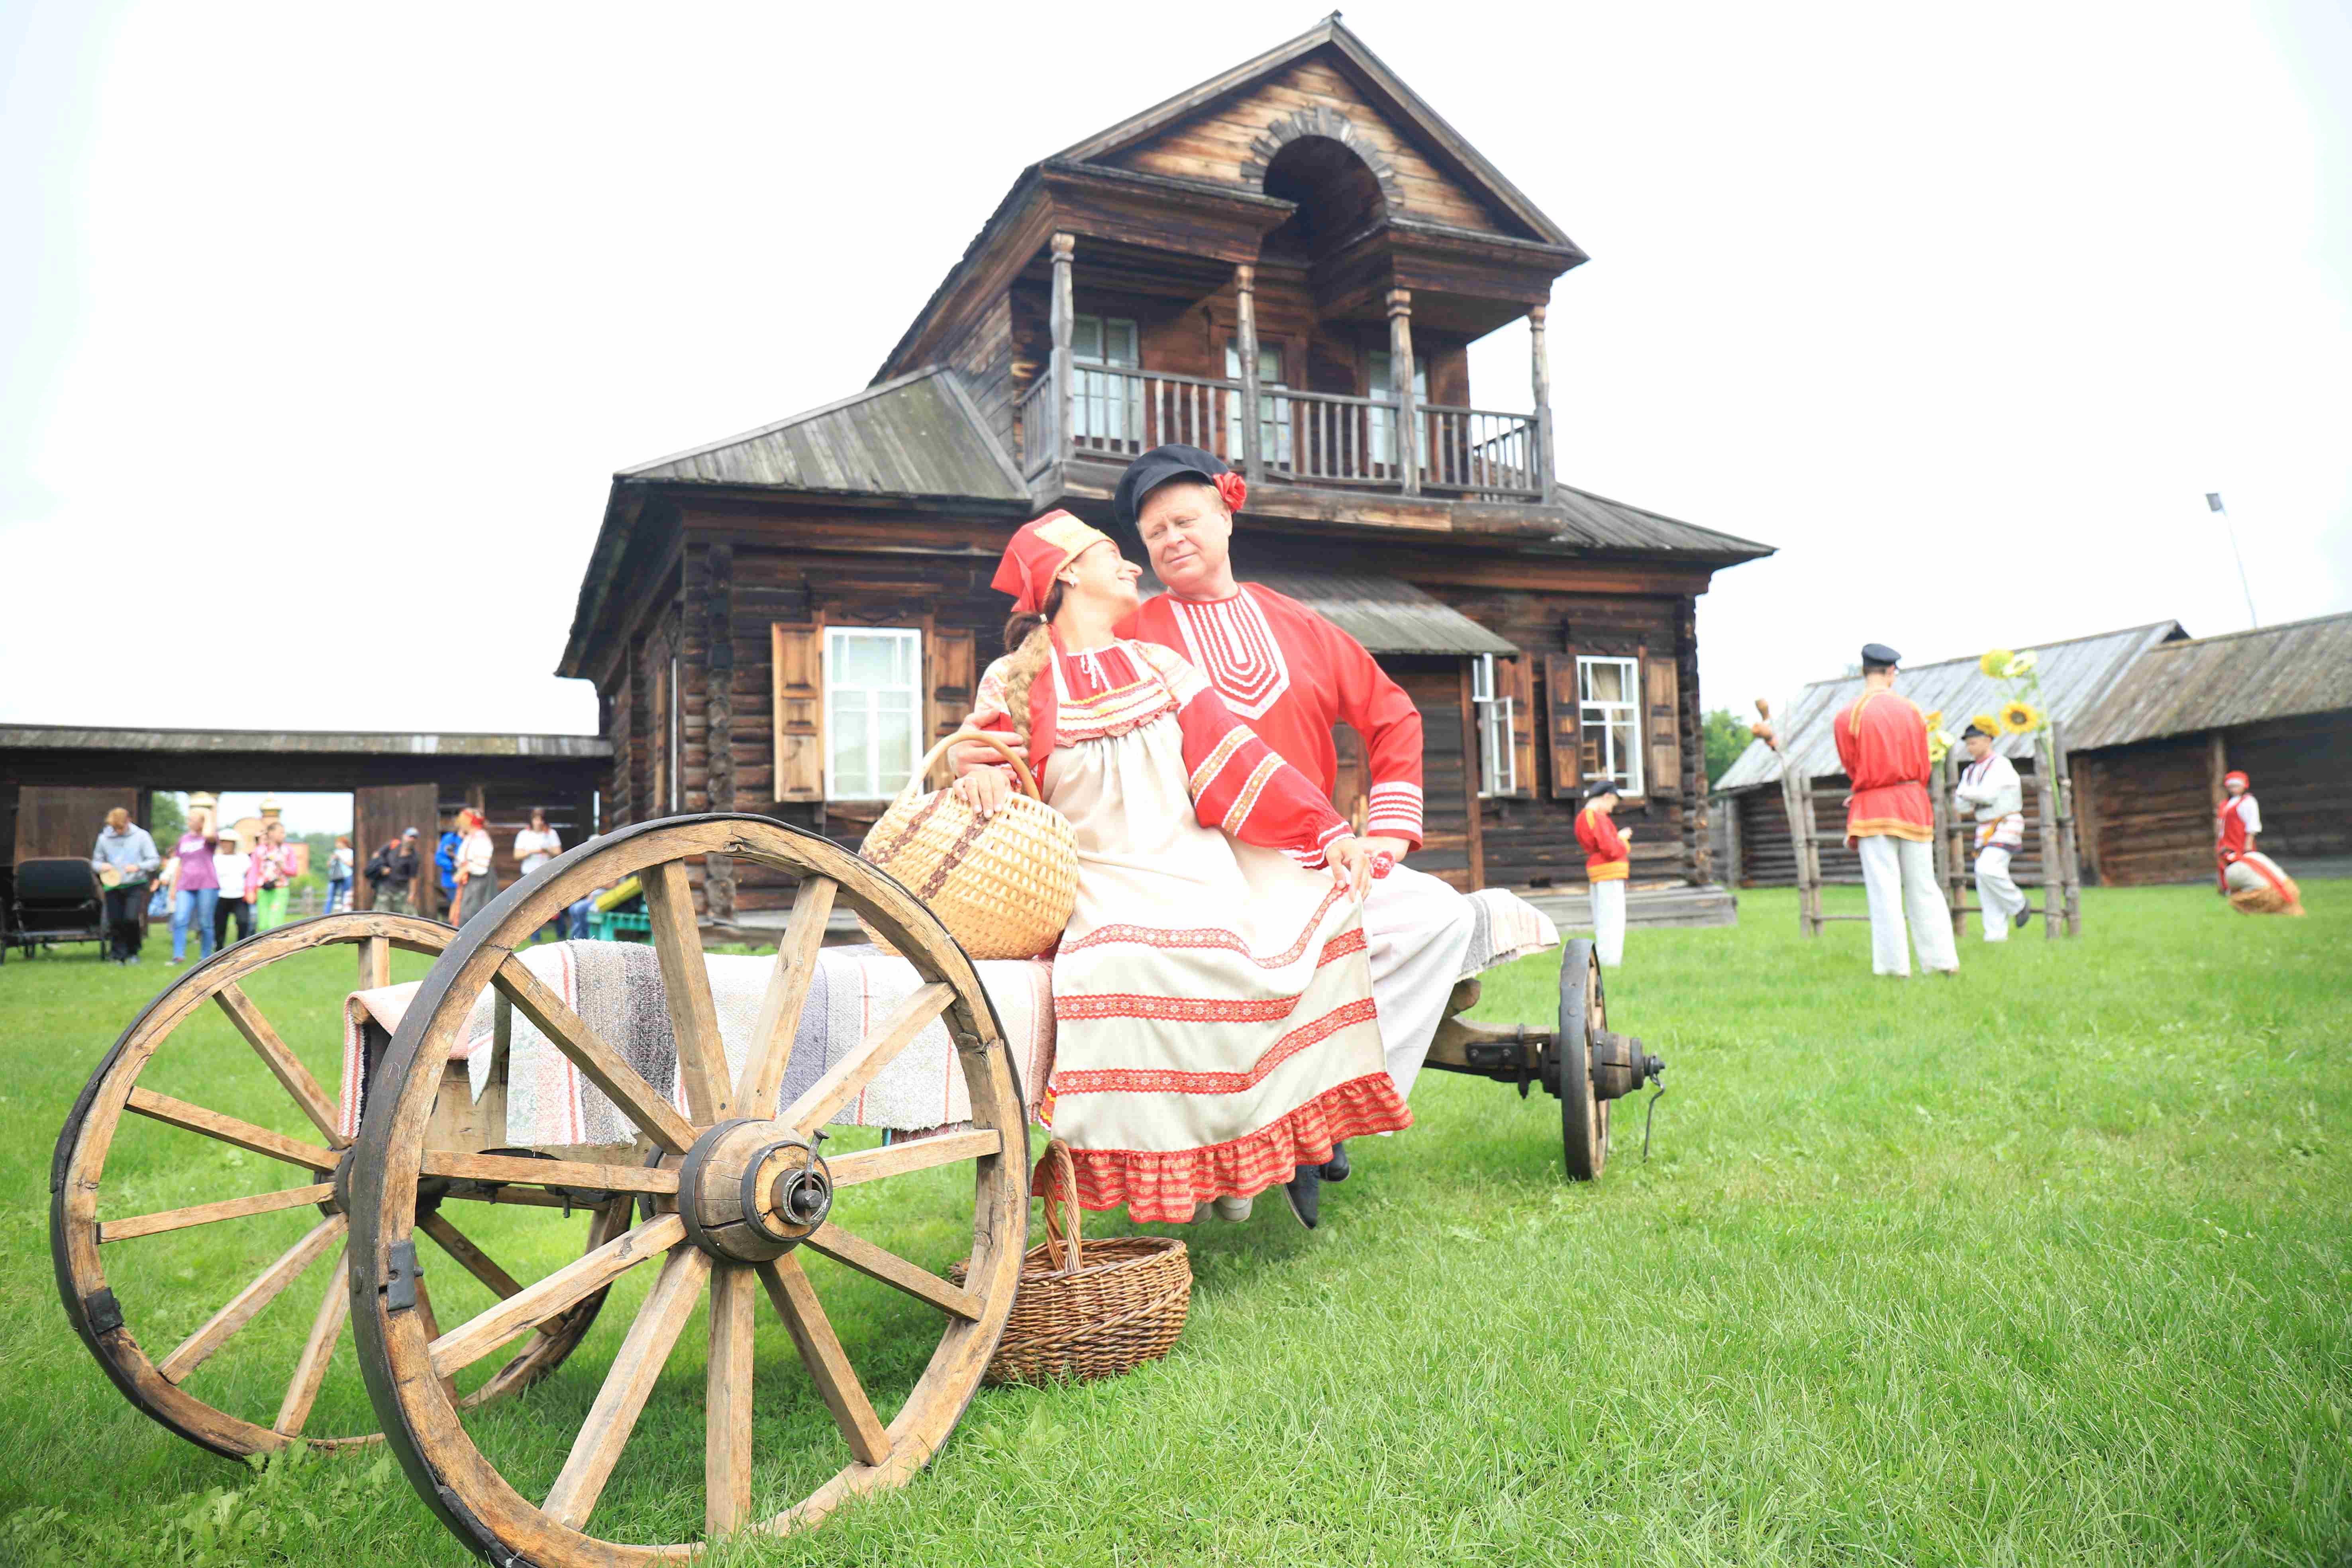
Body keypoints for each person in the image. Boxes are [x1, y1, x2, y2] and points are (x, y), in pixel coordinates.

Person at [951, 511, 1395, 1230]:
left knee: (1267, 945)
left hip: (1195, 870)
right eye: (1114, 556)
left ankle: (1240, 1153)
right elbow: (984, 766)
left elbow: (1237, 760)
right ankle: (1197, 1158)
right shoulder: (1014, 679)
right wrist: (975, 776)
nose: (1134, 567)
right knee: (1118, 968)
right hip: (1099, 883)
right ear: (1067, 574)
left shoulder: (1161, 668)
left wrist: (1326, 830)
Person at [1090, 444, 1491, 1218]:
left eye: (1185, 518)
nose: (1171, 537)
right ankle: (1245, 1142)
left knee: (1439, 917)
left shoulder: (1296, 621)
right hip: (1202, 866)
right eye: (1153, 531)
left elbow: (1392, 713)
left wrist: (1390, 833)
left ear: (1224, 514)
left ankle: (1332, 1107)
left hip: (1321, 858)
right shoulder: (1131, 633)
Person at [1832, 643, 1958, 977]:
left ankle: (1893, 969)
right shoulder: (1913, 712)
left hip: (1872, 806)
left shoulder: (1848, 714)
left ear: (1864, 671)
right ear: (1891, 673)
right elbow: (1922, 761)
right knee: (1924, 885)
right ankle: (1942, 962)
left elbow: (1852, 764)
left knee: (1884, 891)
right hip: (1912, 801)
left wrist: (1865, 786)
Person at [1953, 723, 2029, 940]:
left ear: (1988, 740)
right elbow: (1961, 806)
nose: (1970, 747)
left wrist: (1967, 793)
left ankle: (2018, 904)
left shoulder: (2001, 765)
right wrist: (1971, 795)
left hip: (2006, 822)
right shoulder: (1970, 771)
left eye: (1974, 742)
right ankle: (1995, 935)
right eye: (1967, 744)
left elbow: (1988, 795)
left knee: (1988, 869)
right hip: (1984, 826)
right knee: (1983, 879)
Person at [90, 807, 161, 965]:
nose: (118, 831)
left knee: (130, 918)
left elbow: (154, 861)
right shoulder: (104, 838)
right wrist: (103, 867)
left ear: (129, 820)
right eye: (115, 829)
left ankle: (133, 951)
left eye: (120, 828)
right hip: (112, 885)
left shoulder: (142, 837)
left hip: (135, 884)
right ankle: (117, 954)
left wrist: (139, 866)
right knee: (115, 920)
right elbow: (95, 862)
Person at [1575, 782, 1631, 966]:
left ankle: (1604, 962)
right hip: (1609, 874)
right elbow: (1611, 849)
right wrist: (1623, 840)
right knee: (1612, 921)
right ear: (1606, 796)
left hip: (1601, 873)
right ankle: (1609, 962)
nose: (1613, 807)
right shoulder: (1595, 817)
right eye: (1613, 802)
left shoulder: (1585, 817)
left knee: (1604, 920)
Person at [169, 810, 222, 965]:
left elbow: (211, 836)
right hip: (185, 885)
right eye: (189, 819)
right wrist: (174, 887)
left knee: (206, 922)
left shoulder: (209, 839)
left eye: (193, 820)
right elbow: (180, 864)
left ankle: (206, 957)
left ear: (202, 823)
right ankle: (178, 956)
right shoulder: (183, 840)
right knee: (180, 918)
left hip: (207, 885)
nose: (189, 822)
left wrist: (208, 819)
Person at [513, 809, 564, 941]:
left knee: (554, 904)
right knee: (531, 906)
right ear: (532, 820)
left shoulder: (551, 834)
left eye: (541, 819)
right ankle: (535, 938)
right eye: (536, 819)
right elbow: (517, 855)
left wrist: (547, 849)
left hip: (547, 873)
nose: (539, 822)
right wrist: (532, 852)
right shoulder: (524, 834)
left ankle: (561, 934)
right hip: (528, 874)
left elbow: (559, 852)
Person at [211, 825, 261, 950]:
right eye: (222, 842)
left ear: (234, 844)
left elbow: (251, 875)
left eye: (227, 842)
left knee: (243, 922)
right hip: (221, 896)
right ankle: (219, 950)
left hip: (240, 896)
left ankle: (241, 948)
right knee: (220, 925)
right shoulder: (216, 859)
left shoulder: (244, 858)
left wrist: (251, 891)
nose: (225, 845)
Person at [451, 808, 498, 924]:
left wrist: (464, 871)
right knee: (464, 910)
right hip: (470, 879)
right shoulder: (470, 837)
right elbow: (463, 859)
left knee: (474, 911)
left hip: (479, 880)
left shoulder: (481, 837)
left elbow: (481, 863)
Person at [253, 820, 297, 930]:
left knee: (274, 924)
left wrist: (283, 867)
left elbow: (294, 871)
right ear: (271, 833)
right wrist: (250, 890)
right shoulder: (259, 851)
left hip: (280, 889)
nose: (284, 835)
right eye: (281, 832)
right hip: (263, 890)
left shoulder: (287, 850)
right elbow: (253, 872)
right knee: (263, 925)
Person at [326, 835, 355, 915]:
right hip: (335, 877)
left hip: (347, 876)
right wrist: (332, 859)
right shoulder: (336, 852)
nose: (337, 845)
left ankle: (345, 913)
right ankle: (326, 914)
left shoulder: (350, 852)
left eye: (339, 843)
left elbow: (351, 864)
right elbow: (328, 865)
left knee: (345, 896)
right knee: (330, 896)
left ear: (344, 844)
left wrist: (341, 858)